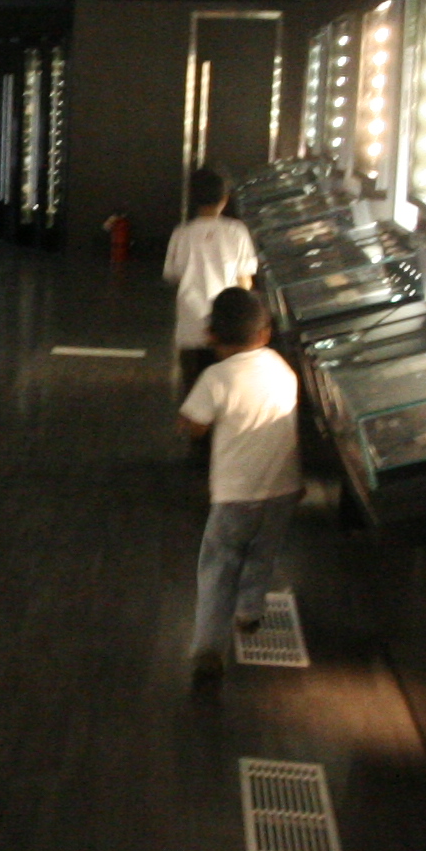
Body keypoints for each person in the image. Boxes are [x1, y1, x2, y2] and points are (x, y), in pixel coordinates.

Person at [177, 285, 301, 691]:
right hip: (282, 488)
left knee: (219, 567)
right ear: (264, 332)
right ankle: (249, 612)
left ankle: (209, 650)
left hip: (235, 495)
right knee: (262, 554)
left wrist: (190, 424)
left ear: (212, 334)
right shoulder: (282, 368)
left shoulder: (216, 377)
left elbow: (196, 425)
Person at [164, 166, 260, 403]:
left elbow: (173, 275)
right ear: (225, 198)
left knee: (193, 390)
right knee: (225, 392)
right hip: (227, 324)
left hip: (190, 322)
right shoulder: (236, 231)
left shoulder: (181, 233)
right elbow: (245, 281)